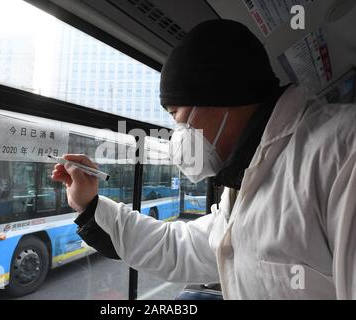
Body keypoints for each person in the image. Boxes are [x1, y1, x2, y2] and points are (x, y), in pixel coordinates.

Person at [51, 20, 356, 299]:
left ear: (219, 97)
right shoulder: (246, 178)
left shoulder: (342, 155)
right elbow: (179, 248)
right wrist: (90, 206)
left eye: (176, 116)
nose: (177, 134)